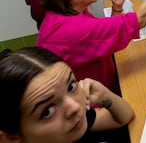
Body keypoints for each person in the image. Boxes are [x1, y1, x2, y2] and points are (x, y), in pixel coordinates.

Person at [0, 46, 135, 143]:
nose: (75, 107)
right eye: (47, 111)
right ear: (10, 138)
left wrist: (104, 95)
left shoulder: (73, 126)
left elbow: (123, 117)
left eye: (71, 86)